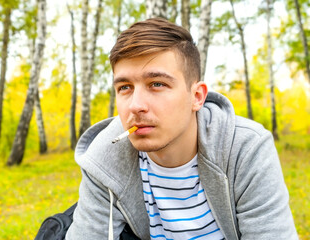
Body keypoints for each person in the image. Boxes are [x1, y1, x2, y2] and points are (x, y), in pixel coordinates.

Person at [65, 18, 298, 240]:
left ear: (196, 97)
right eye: (125, 87)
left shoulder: (245, 149)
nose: (135, 105)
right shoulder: (104, 157)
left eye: (157, 84)